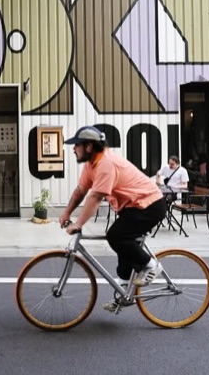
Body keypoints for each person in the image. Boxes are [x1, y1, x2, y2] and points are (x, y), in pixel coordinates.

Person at [58, 126, 167, 313]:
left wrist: (78, 223)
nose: (73, 149)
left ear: (89, 146)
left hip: (150, 205)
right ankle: (125, 293)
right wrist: (67, 213)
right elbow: (80, 192)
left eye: (76, 145)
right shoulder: (91, 165)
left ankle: (151, 265)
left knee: (116, 236)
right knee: (122, 246)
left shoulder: (106, 164)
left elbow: (95, 197)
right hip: (133, 206)